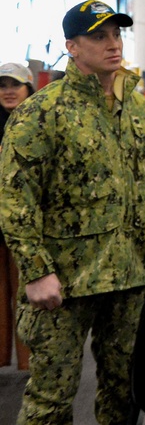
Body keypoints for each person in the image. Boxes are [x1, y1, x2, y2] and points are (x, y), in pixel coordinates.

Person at [0, 0, 145, 425]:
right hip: (66, 281)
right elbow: (15, 197)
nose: (113, 44)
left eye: (116, 34)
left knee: (124, 394)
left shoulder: (141, 112)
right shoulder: (40, 112)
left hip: (131, 276)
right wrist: (36, 270)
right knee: (51, 400)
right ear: (72, 47)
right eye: (99, 36)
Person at [0, 62, 34, 371]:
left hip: (28, 229)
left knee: (27, 298)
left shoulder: (39, 123)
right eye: (3, 85)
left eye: (15, 84)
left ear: (29, 88)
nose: (9, 91)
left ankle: (28, 364)